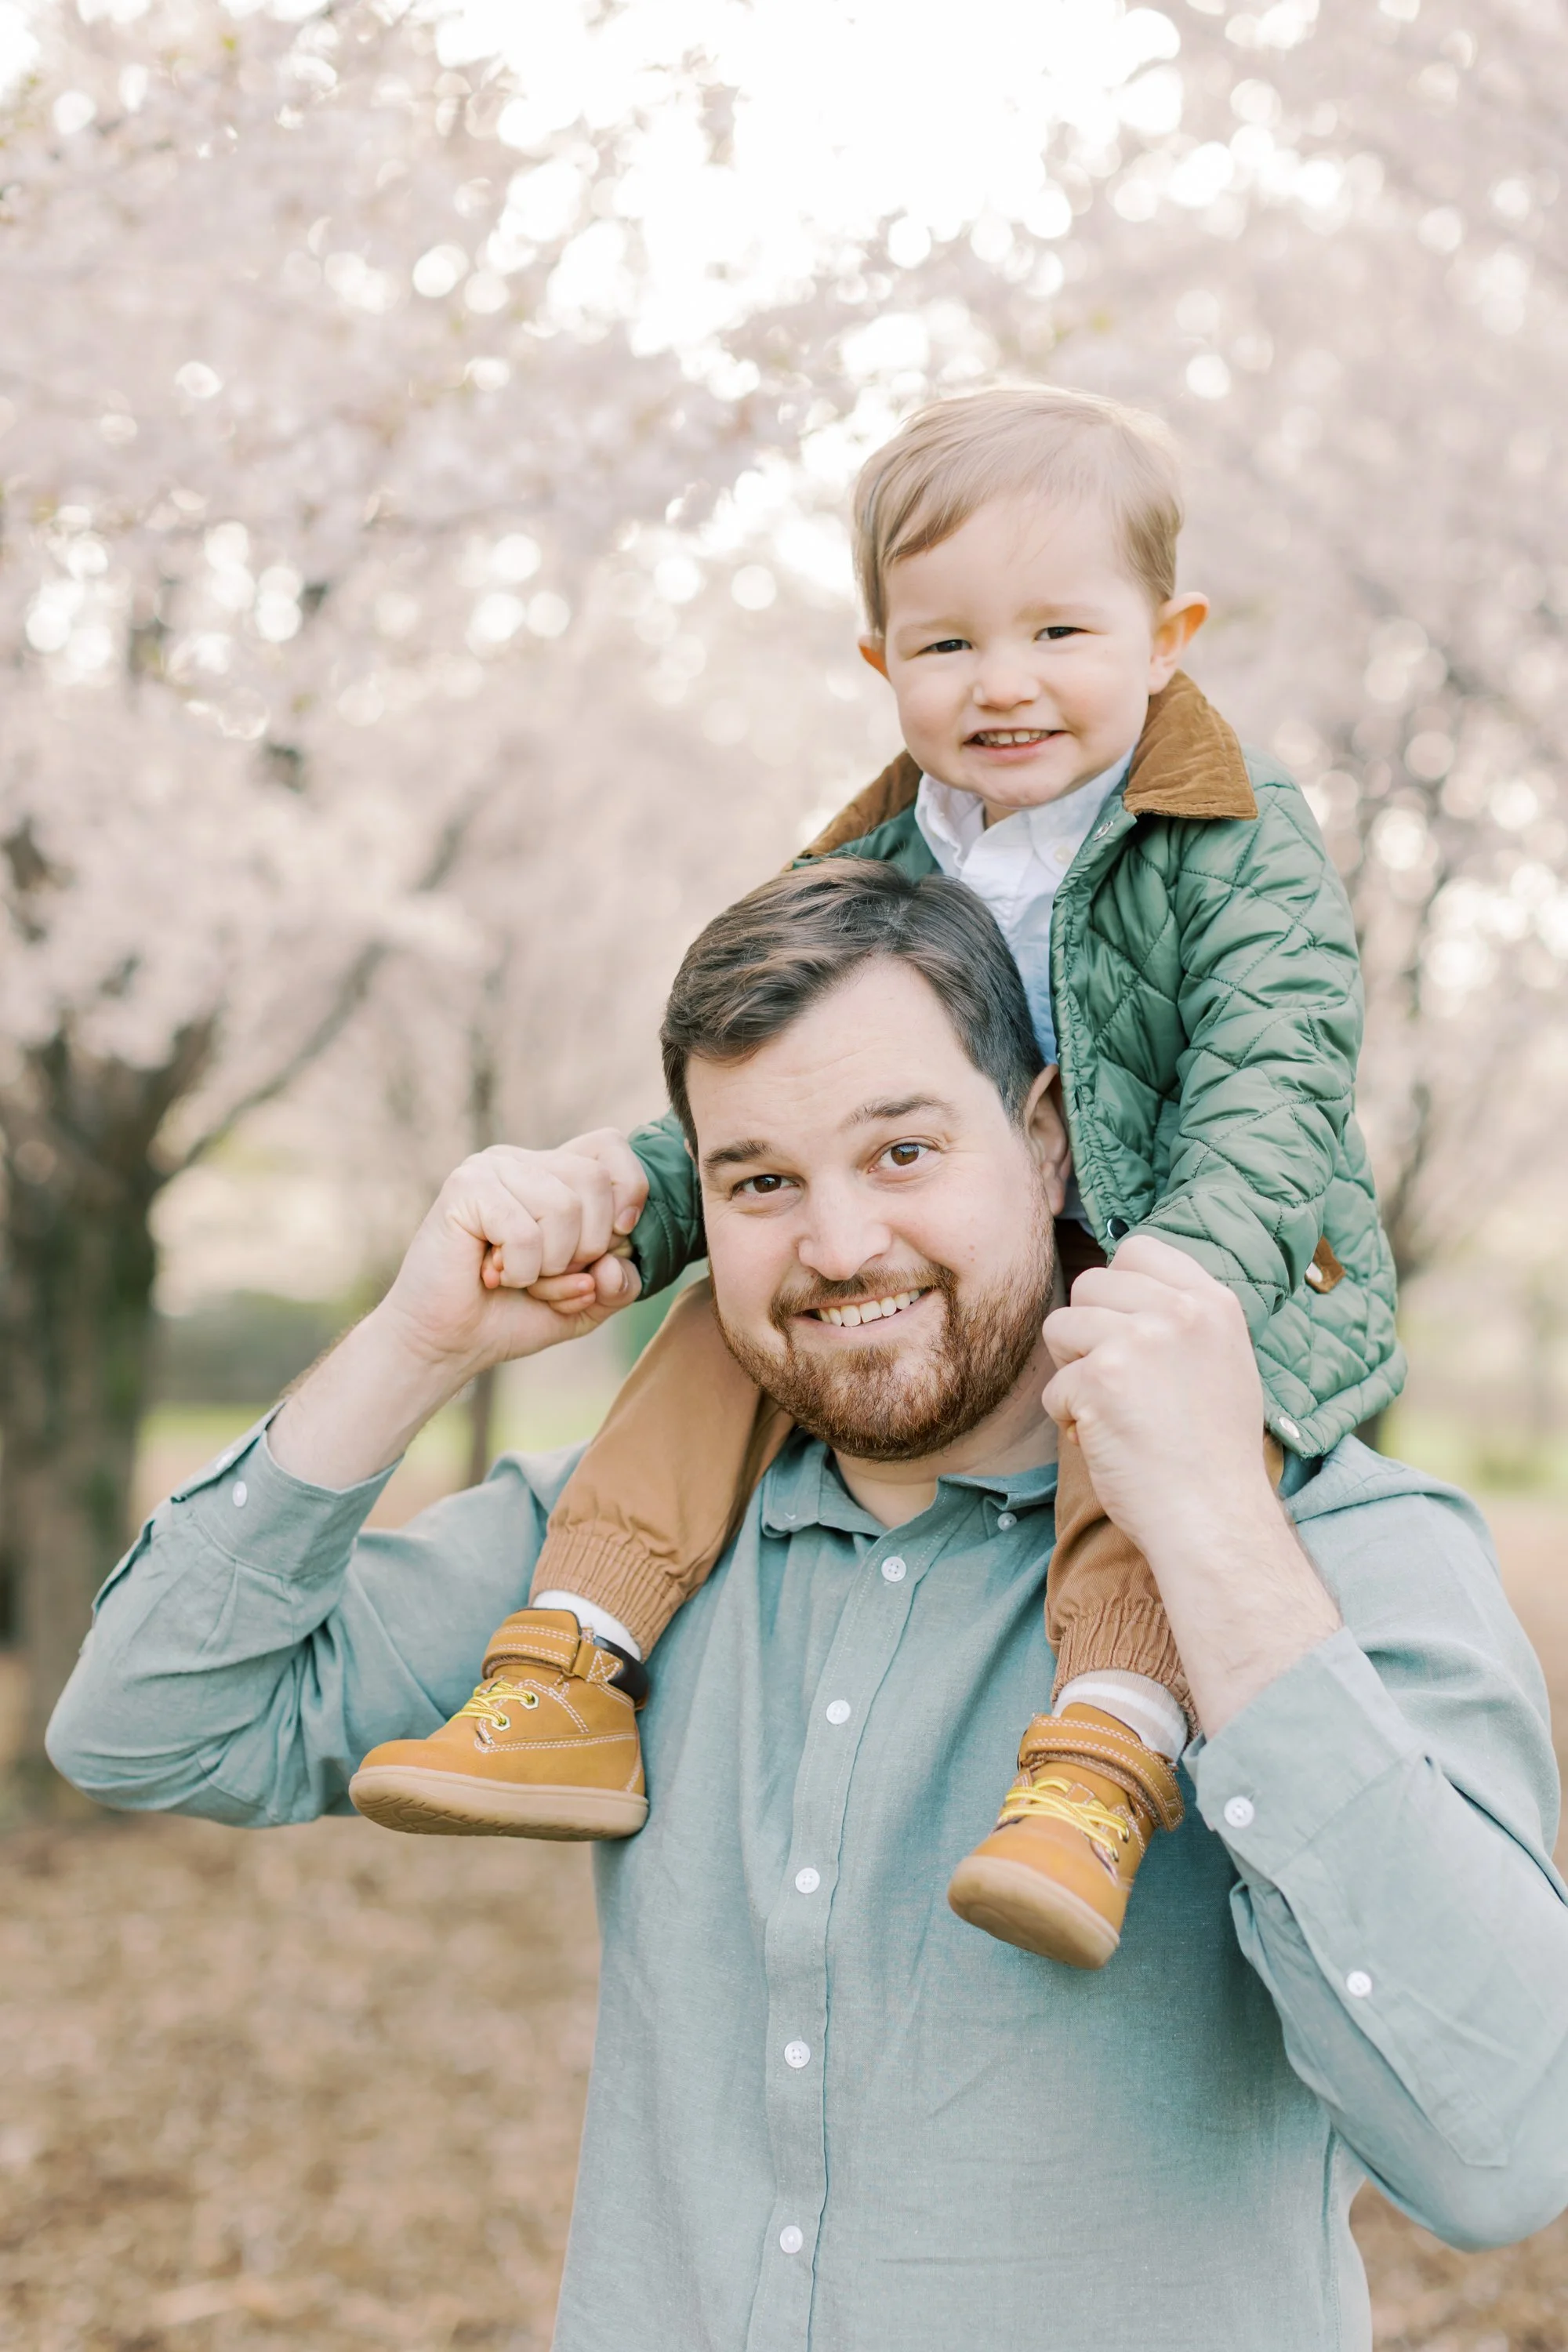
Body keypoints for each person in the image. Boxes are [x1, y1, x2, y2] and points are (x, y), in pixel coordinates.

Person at [48, 865, 1568, 2350]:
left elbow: (1500, 2153)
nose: (837, 1246)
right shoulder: (614, 1555)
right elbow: (149, 1723)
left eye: (902, 1153)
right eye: (760, 1181)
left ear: (1043, 1145)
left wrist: (1219, 1546)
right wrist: (415, 1343)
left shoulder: (1327, 1547)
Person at [347, 385, 1403, 1971]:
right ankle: (573, 1658)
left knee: (1141, 1407)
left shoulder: (1238, 843)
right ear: (880, 663)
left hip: (1200, 1248)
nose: (1004, 686)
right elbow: (767, 1087)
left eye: (1059, 633)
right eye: (948, 646)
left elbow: (1275, 1073)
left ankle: (1104, 1754)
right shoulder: (876, 860)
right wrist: (640, 1203)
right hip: (942, 1216)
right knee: (734, 1312)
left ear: (1167, 634)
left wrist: (1188, 1266)